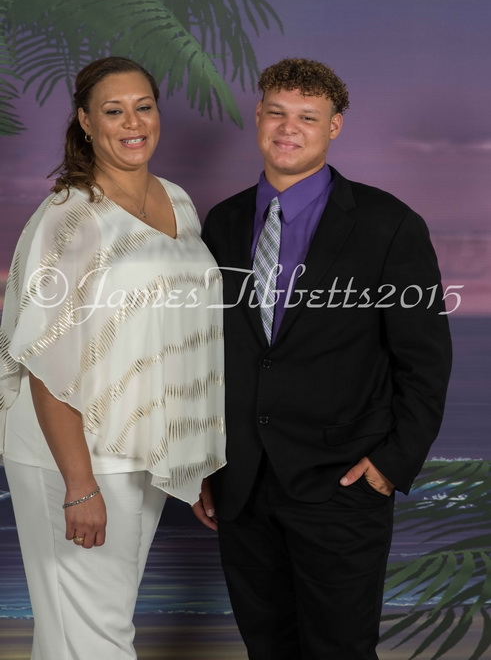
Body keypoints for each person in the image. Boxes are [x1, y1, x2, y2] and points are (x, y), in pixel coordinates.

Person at [193, 57, 452, 659]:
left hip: (342, 483)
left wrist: (391, 464)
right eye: (277, 113)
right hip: (241, 483)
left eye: (308, 117)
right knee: (268, 648)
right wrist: (201, 461)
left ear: (334, 126)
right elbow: (207, 351)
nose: (289, 128)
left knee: (341, 650)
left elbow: (425, 359)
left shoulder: (388, 225)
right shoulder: (223, 223)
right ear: (259, 117)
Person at [0, 56, 226, 660]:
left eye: (143, 107)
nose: (133, 123)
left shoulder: (176, 201)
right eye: (113, 111)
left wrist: (195, 456)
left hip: (141, 447)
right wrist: (80, 485)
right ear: (85, 121)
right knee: (94, 635)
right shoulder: (71, 218)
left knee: (83, 629)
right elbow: (45, 358)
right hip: (75, 454)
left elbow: (178, 336)